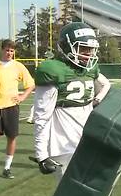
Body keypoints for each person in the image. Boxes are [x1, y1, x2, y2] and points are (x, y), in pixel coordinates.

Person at [32, 22, 110, 181]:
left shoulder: (89, 70)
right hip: (63, 145)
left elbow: (106, 84)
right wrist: (41, 155)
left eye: (91, 49)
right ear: (66, 47)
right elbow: (41, 117)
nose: (89, 54)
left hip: (87, 141)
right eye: (83, 48)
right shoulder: (54, 70)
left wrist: (97, 99)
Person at [0, 39, 35, 181]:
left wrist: (22, 97)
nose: (9, 53)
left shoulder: (18, 66)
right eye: (7, 50)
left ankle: (7, 168)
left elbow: (31, 84)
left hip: (12, 106)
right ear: (2, 50)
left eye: (12, 51)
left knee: (12, 137)